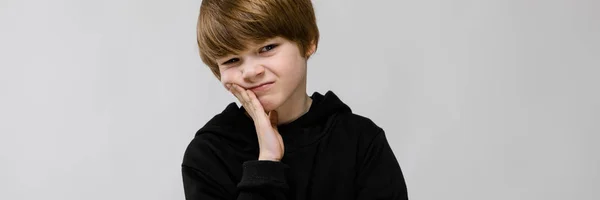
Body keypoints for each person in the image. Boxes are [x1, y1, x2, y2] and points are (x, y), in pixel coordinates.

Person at [181, 0, 408, 199]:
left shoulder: (361, 141)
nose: (250, 71)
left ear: (308, 41)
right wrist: (266, 163)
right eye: (231, 60)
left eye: (267, 48)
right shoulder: (208, 155)